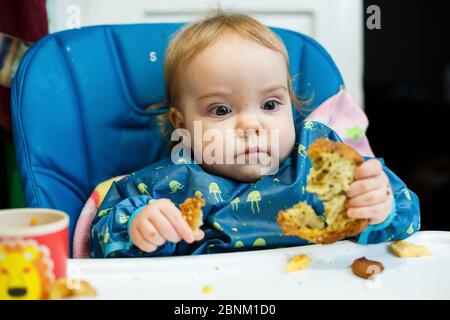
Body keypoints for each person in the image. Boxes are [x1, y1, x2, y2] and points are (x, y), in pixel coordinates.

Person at [88, 12, 420, 258]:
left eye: (271, 104)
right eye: (220, 110)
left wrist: (380, 207)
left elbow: (403, 221)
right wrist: (139, 227)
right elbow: (101, 239)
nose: (251, 126)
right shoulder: (166, 184)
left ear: (292, 106)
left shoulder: (319, 159)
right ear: (182, 125)